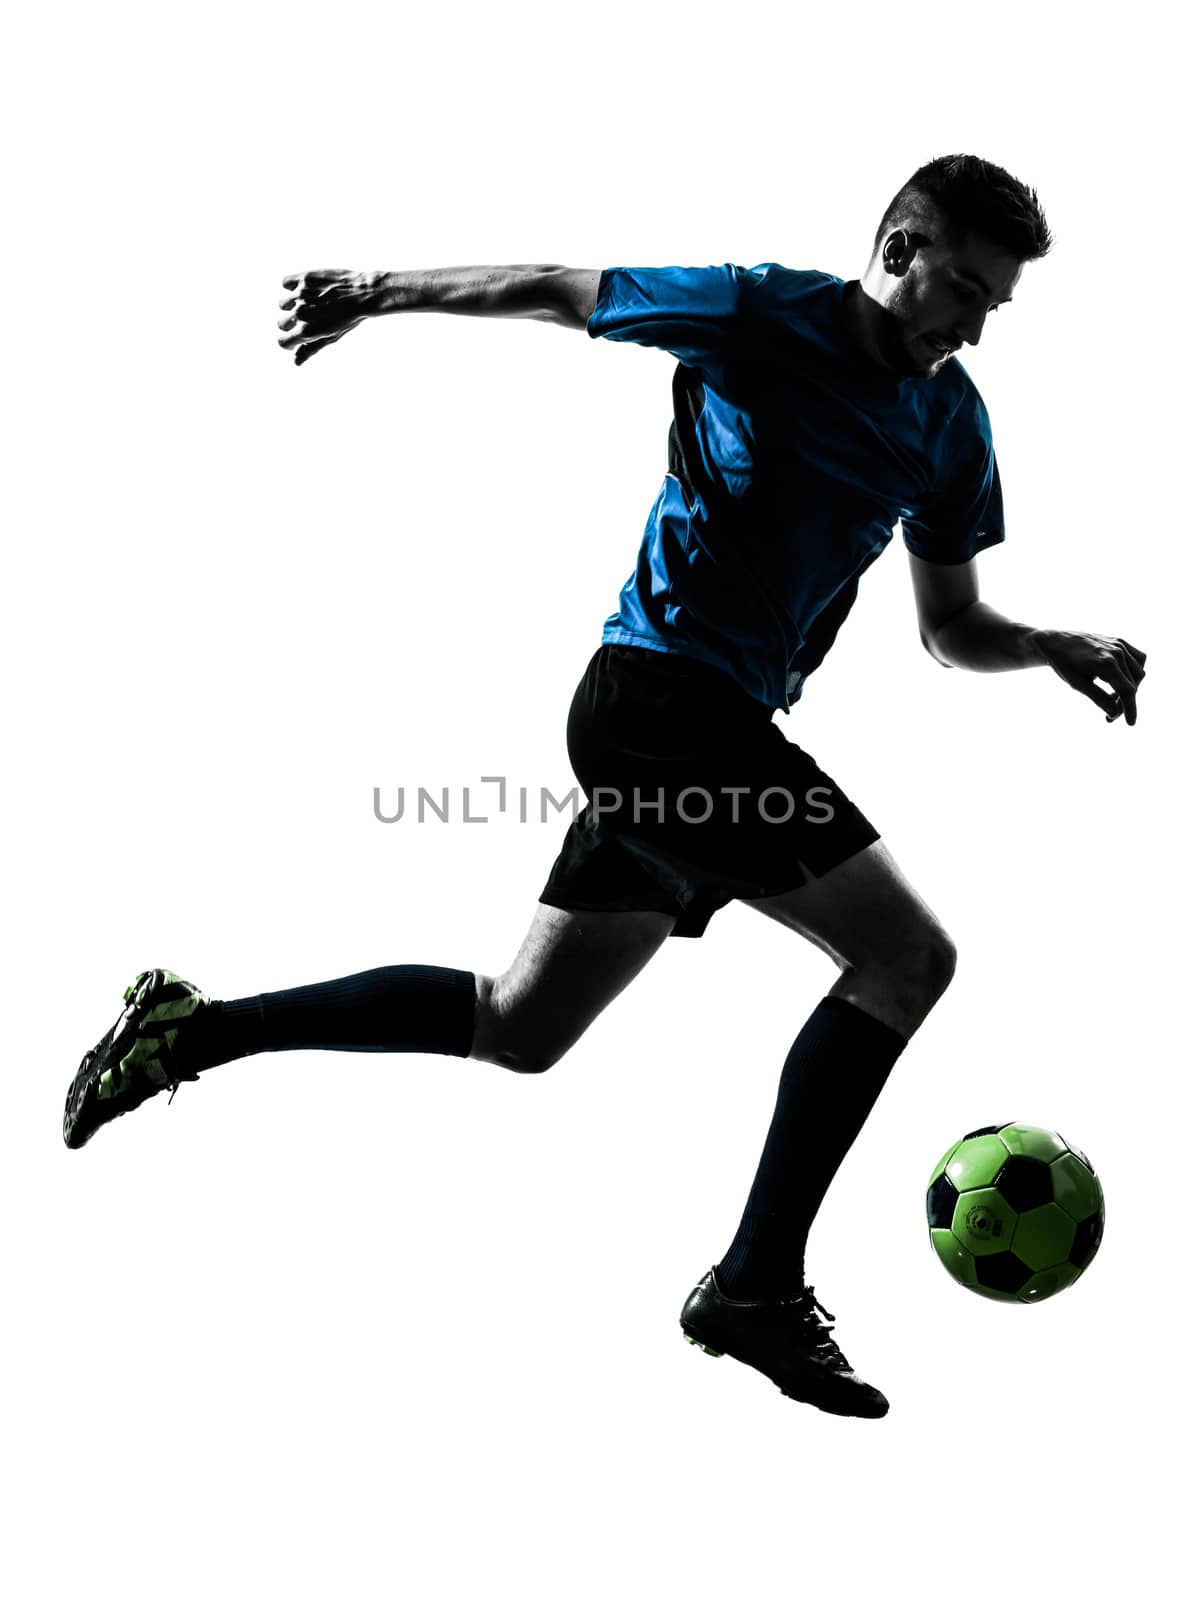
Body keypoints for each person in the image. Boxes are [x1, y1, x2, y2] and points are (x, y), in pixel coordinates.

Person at [63, 154, 1146, 1420]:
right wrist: (373, 291)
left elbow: (948, 624)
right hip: (657, 707)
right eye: (959, 286)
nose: (968, 323)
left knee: (520, 1024)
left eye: (992, 307)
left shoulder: (951, 426)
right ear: (899, 245)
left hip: (703, 731)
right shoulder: (757, 313)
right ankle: (751, 1283)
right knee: (907, 959)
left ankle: (192, 1028)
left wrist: (1049, 645)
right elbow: (550, 288)